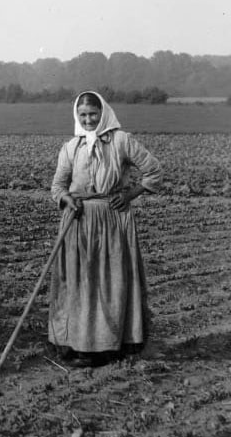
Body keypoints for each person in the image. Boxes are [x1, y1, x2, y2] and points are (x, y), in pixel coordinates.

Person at [49, 90, 162, 367]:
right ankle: (80, 343)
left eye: (93, 114)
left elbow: (154, 171)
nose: (88, 120)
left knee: (110, 282)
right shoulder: (71, 147)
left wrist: (130, 194)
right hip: (78, 221)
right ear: (77, 116)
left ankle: (109, 344)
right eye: (83, 115)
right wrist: (67, 200)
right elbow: (58, 186)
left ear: (103, 114)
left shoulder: (121, 141)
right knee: (80, 281)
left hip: (112, 220)